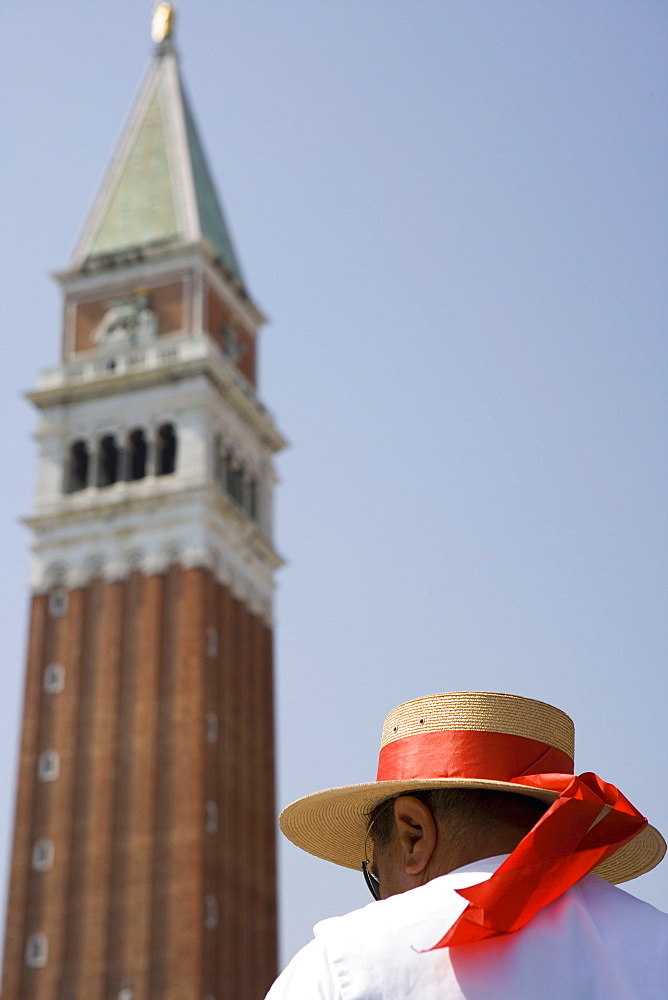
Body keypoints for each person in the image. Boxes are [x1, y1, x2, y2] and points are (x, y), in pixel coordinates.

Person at [266, 691, 668, 999]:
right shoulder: (658, 942)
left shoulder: (340, 964)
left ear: (412, 836)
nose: (380, 901)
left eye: (374, 875)